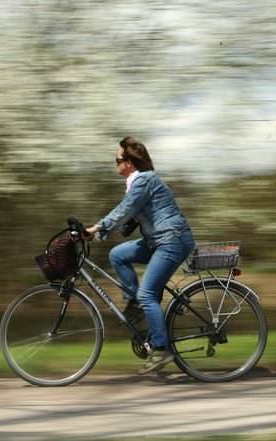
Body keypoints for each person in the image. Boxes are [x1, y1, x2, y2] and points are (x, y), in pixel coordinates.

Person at [84, 136, 195, 374]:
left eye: (117, 159)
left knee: (148, 295)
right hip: (157, 240)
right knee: (118, 255)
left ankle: (161, 348)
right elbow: (135, 213)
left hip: (171, 240)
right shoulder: (137, 181)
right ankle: (135, 303)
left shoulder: (144, 180)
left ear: (129, 162)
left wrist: (95, 228)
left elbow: (126, 208)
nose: (115, 163)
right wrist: (113, 229)